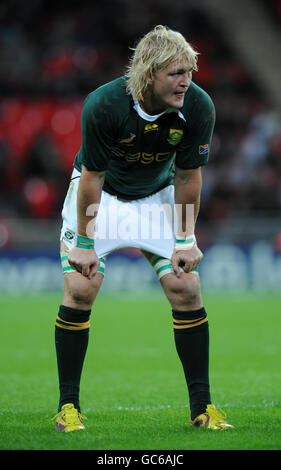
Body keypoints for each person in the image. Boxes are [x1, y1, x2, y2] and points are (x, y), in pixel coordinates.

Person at [53, 25, 233, 432]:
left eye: (189, 70)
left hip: (157, 196)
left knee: (186, 288)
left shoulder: (198, 106)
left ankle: (202, 409)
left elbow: (188, 176)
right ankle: (68, 408)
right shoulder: (104, 104)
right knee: (81, 289)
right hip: (103, 197)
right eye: (175, 72)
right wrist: (84, 242)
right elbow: (92, 176)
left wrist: (185, 239)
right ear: (149, 74)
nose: (186, 81)